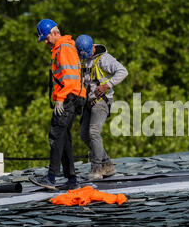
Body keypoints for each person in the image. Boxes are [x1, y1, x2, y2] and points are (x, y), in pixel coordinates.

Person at [34, 19, 86, 189]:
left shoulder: (64, 48)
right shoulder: (63, 47)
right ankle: (71, 179)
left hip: (69, 98)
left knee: (55, 135)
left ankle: (51, 178)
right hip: (72, 98)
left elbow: (70, 78)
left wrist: (60, 98)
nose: (46, 42)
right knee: (63, 138)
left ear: (54, 33)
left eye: (46, 38)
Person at [75, 35, 128, 180]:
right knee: (84, 135)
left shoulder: (104, 59)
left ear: (93, 47)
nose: (86, 57)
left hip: (102, 101)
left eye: (88, 53)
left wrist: (107, 85)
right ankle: (107, 165)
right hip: (88, 102)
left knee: (93, 132)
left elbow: (123, 71)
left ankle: (97, 168)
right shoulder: (82, 58)